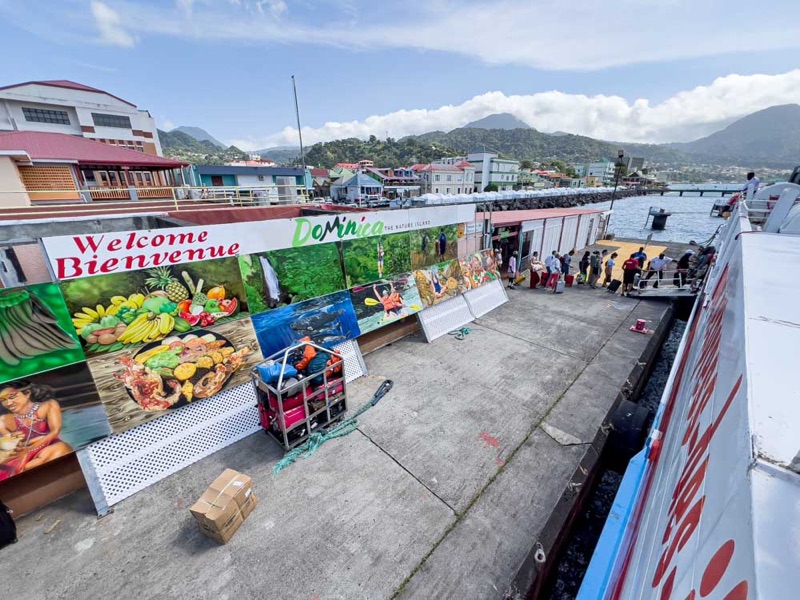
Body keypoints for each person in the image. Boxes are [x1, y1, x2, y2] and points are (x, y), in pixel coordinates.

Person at [0, 381, 73, 481]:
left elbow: (55, 432)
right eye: (3, 400)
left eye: (12, 397)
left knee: (61, 449)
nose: (8, 403)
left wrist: (32, 447)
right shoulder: (3, 420)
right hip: (22, 455)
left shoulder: (49, 405)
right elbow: (14, 447)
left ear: (27, 393)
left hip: (49, 446)